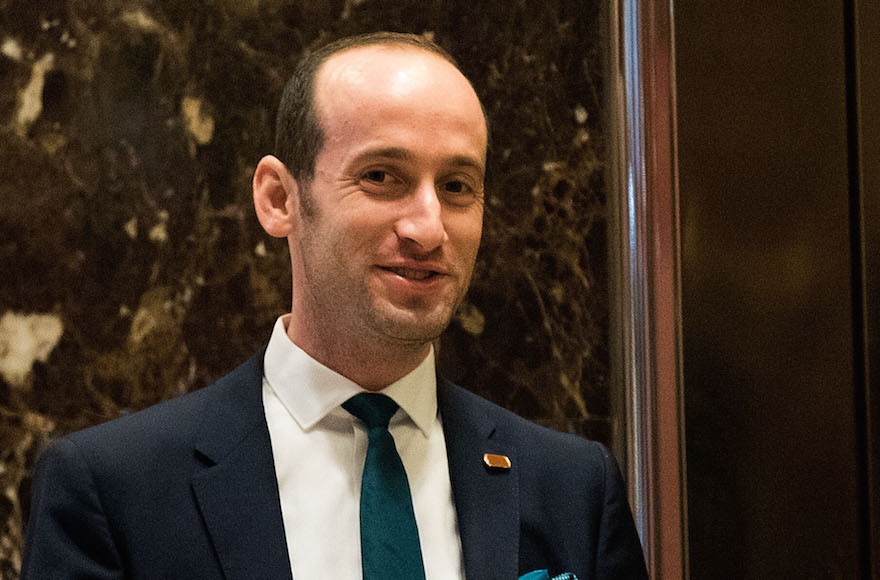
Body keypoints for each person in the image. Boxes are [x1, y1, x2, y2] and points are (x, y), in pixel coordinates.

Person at [22, 32, 648, 579]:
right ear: (278, 199)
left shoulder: (573, 489)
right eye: (382, 177)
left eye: (457, 186)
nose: (428, 227)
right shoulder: (114, 490)